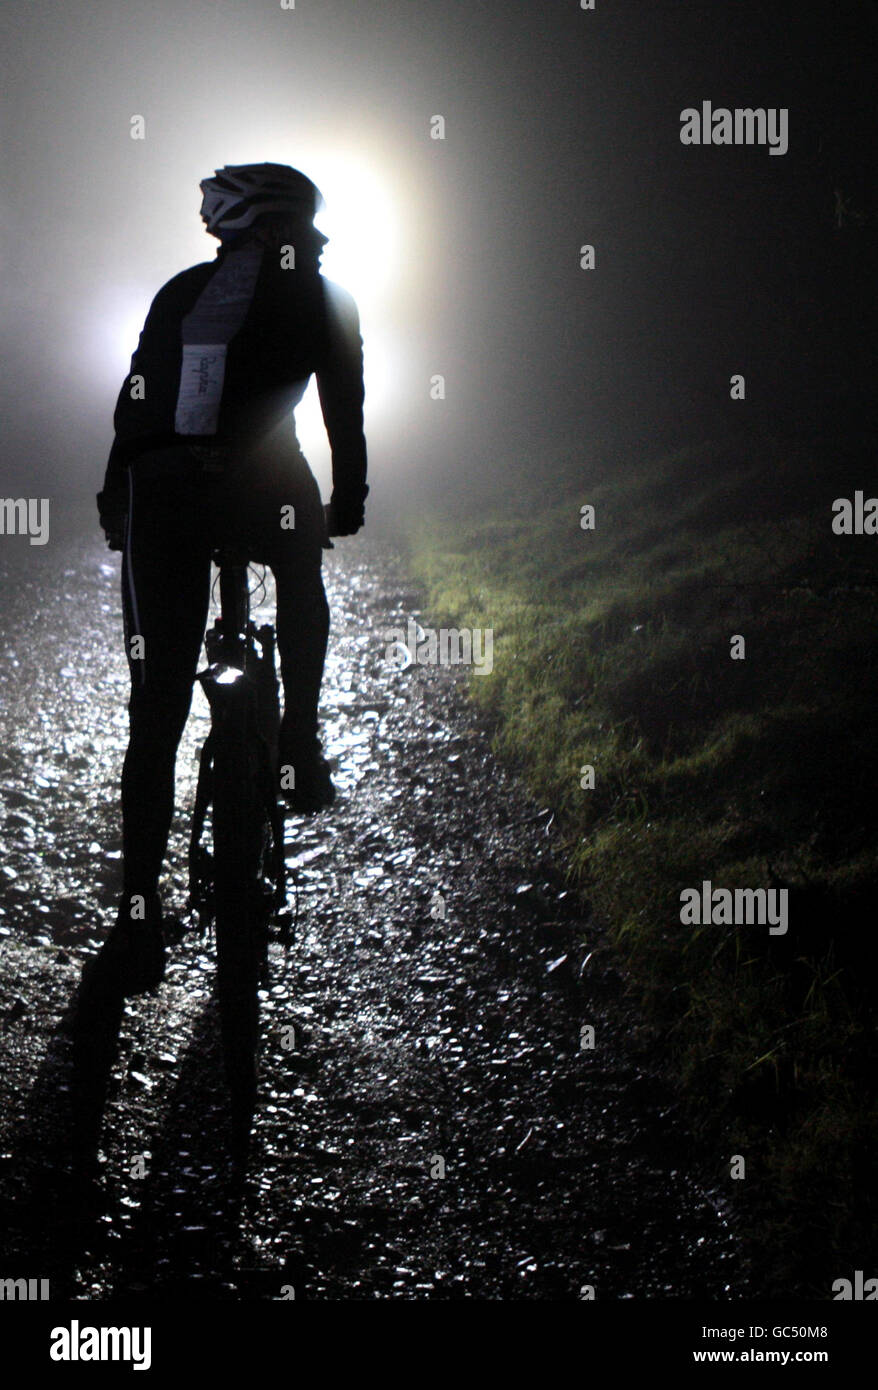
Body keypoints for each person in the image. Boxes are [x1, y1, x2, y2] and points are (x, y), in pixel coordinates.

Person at [93, 163, 368, 995]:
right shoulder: (329, 298)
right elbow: (341, 412)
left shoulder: (185, 291)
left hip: (166, 493)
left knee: (160, 705)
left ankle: (138, 913)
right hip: (267, 487)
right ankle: (299, 743)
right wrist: (346, 502)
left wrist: (117, 498)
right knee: (300, 589)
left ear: (224, 227)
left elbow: (136, 402)